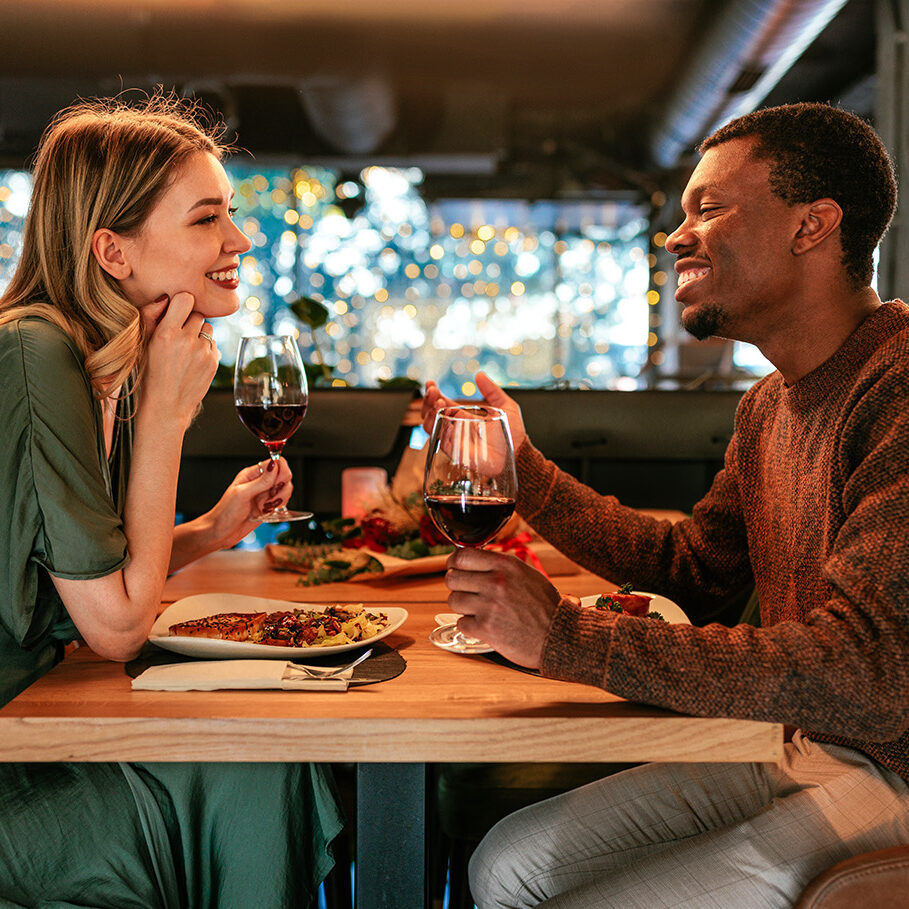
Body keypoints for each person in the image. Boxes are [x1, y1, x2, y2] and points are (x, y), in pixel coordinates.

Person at [422, 102, 909, 907]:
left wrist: (562, 636)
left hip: (892, 762)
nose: (674, 236)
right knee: (503, 863)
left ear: (811, 225)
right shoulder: (766, 407)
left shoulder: (896, 388)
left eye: (709, 209)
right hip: (804, 740)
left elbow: (864, 674)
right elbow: (694, 572)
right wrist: (525, 471)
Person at [0, 94, 342, 907]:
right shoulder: (33, 351)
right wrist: (164, 419)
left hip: (38, 724)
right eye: (205, 218)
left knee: (268, 752)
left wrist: (211, 531)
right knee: (257, 769)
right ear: (112, 251)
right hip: (15, 763)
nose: (239, 239)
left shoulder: (91, 358)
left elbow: (83, 577)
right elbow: (115, 626)